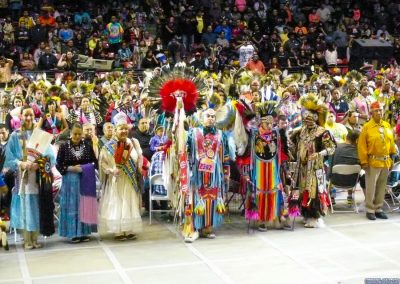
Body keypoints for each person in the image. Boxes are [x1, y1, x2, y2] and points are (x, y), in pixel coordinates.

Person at [5, 106, 55, 249]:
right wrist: (21, 163)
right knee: (25, 207)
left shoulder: (40, 135)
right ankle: (26, 239)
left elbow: (50, 157)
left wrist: (39, 164)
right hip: (22, 177)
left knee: (36, 206)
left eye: (31, 115)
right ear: (21, 117)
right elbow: (9, 158)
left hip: (38, 177)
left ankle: (35, 238)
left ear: (35, 117)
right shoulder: (15, 135)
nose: (28, 118)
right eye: (26, 115)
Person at [290, 94, 336, 228]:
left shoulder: (322, 132)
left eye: (311, 119)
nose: (308, 122)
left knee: (314, 192)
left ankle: (314, 217)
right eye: (306, 119)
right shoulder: (301, 131)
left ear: (316, 119)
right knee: (302, 190)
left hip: (315, 168)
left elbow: (332, 148)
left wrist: (318, 154)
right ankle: (305, 214)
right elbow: (294, 143)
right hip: (301, 167)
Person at [186, 108, 230, 241]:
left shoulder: (221, 135)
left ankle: (208, 226)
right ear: (201, 118)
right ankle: (196, 225)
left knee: (212, 196)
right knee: (198, 195)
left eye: (213, 116)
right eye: (208, 116)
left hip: (215, 173)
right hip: (197, 172)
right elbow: (187, 151)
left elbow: (225, 155)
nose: (210, 118)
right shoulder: (193, 133)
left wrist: (226, 172)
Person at [98, 112, 143, 241]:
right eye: (120, 128)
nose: (123, 131)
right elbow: (102, 163)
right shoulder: (108, 146)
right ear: (115, 130)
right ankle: (118, 230)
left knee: (129, 202)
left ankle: (128, 229)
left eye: (125, 128)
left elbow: (139, 157)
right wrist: (112, 170)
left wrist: (139, 165)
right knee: (117, 202)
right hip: (117, 179)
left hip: (130, 179)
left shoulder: (132, 142)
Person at [56, 123, 98, 243]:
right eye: (75, 134)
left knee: (85, 204)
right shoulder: (64, 147)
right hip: (70, 181)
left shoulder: (87, 145)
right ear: (70, 133)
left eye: (80, 134)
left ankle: (84, 232)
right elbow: (59, 164)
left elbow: (94, 162)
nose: (77, 136)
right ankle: (73, 233)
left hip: (86, 178)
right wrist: (71, 168)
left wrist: (85, 168)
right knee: (73, 205)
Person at [245, 103, 284, 231]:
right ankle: (260, 218)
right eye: (267, 123)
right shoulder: (254, 133)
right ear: (261, 122)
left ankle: (272, 217)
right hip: (258, 167)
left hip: (272, 166)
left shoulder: (276, 134)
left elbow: (280, 152)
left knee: (273, 190)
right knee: (259, 191)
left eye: (272, 123)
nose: (270, 126)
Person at [358, 102, 397, 220]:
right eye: (376, 110)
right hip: (372, 162)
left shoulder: (387, 125)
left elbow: (391, 143)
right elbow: (361, 146)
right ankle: (370, 209)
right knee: (371, 186)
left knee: (381, 186)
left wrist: (393, 157)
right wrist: (364, 162)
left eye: (380, 110)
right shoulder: (367, 127)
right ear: (371, 112)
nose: (379, 112)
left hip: (386, 161)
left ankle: (378, 208)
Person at [330, 131, 361, 204]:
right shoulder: (358, 151)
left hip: (335, 181)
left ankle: (331, 197)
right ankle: (350, 196)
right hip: (352, 182)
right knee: (355, 171)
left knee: (329, 168)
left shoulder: (335, 148)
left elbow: (330, 166)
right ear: (357, 140)